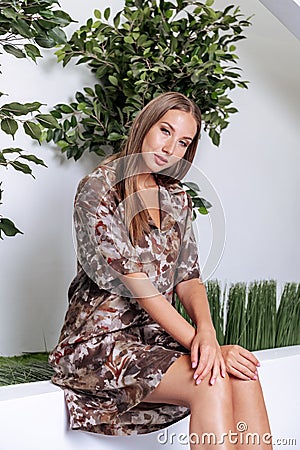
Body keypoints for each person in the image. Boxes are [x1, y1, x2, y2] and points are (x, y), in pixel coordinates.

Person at [49, 92, 272, 449]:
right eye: (165, 131)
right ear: (144, 126)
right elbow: (140, 288)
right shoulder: (99, 187)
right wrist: (204, 349)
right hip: (99, 344)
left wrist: (208, 334)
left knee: (243, 376)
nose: (170, 147)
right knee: (211, 379)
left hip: (152, 340)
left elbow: (189, 278)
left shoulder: (176, 196)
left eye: (183, 141)